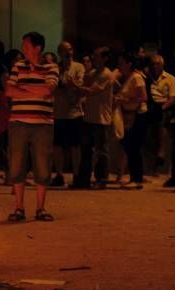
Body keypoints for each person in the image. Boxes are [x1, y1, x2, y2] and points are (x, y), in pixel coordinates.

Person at [5, 32, 59, 222]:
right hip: (18, 122)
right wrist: (37, 91)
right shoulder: (18, 66)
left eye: (26, 46)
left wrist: (23, 89)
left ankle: (40, 208)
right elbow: (9, 90)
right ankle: (19, 207)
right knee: (16, 165)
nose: (23, 50)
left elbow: (48, 90)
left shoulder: (52, 67)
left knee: (43, 166)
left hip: (43, 124)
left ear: (37, 48)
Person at [77, 47, 114, 189]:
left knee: (101, 151)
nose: (94, 58)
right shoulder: (92, 72)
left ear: (105, 58)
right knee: (86, 150)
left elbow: (92, 91)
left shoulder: (106, 74)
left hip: (101, 119)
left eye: (97, 56)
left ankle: (102, 179)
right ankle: (83, 180)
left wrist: (74, 86)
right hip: (89, 117)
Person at [51, 41, 85, 188]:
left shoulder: (79, 67)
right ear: (59, 53)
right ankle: (59, 175)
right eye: (65, 50)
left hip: (74, 113)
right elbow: (52, 87)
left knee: (75, 146)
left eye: (70, 49)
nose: (69, 52)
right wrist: (67, 86)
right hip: (58, 113)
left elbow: (79, 87)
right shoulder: (55, 68)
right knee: (57, 146)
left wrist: (68, 86)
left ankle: (76, 175)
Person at [114, 51, 149, 189]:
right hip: (129, 115)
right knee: (129, 147)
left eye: (121, 63)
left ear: (129, 64)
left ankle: (138, 178)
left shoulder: (136, 77)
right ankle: (134, 177)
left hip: (138, 115)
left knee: (133, 147)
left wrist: (125, 99)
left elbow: (144, 97)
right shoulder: (127, 78)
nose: (119, 66)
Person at [148, 55, 175, 182]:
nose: (155, 66)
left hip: (163, 106)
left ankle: (161, 154)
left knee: (162, 124)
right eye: (153, 64)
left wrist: (162, 108)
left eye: (157, 64)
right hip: (150, 105)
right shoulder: (148, 78)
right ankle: (151, 163)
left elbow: (174, 98)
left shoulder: (170, 78)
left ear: (162, 65)